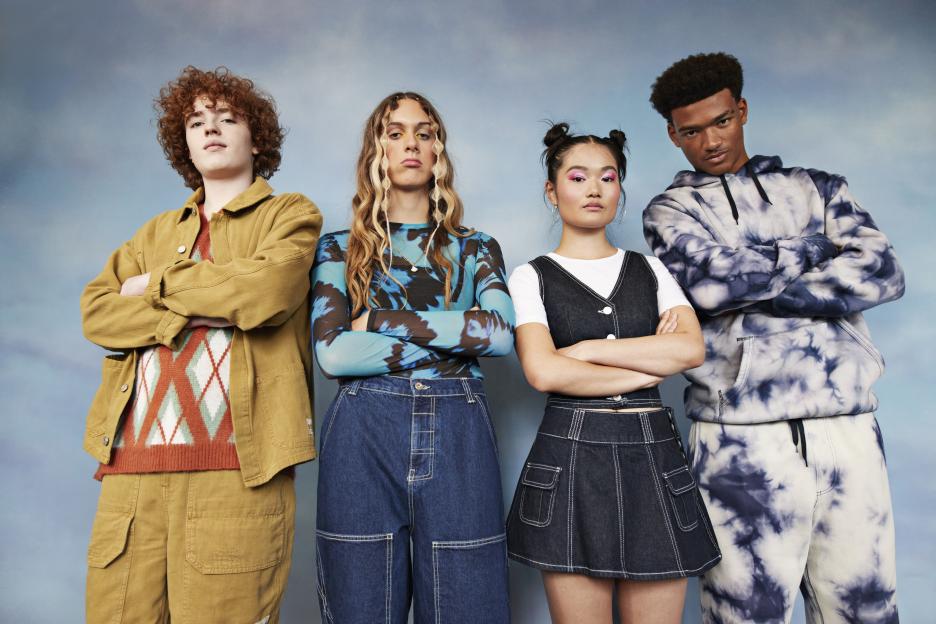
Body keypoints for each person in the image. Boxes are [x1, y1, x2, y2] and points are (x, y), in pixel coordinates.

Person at [643, 52, 905, 623]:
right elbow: (711, 286)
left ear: (741, 110)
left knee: (866, 609)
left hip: (847, 427)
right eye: (691, 131)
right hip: (741, 440)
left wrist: (753, 280)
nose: (710, 140)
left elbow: (882, 273)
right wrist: (813, 249)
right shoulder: (669, 211)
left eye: (721, 121)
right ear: (673, 134)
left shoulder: (817, 188)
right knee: (745, 614)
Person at [80, 66, 322, 624]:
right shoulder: (152, 233)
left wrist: (156, 287)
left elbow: (267, 292)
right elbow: (97, 313)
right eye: (196, 122)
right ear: (183, 142)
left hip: (236, 469)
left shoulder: (290, 214)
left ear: (255, 137)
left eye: (227, 118)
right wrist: (195, 309)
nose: (210, 130)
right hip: (130, 471)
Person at [310, 92, 514, 623]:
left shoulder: (476, 248)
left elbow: (497, 335)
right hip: (362, 431)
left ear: (438, 150)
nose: (411, 145)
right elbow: (333, 353)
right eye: (395, 132)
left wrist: (376, 321)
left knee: (467, 601)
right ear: (375, 149)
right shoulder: (337, 249)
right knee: (360, 605)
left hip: (459, 429)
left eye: (424, 133)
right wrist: (451, 334)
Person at [505, 122, 721, 624]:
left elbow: (690, 350)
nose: (595, 189)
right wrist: (648, 365)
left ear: (620, 187)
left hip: (653, 458)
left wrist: (583, 352)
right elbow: (542, 372)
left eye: (608, 177)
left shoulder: (653, 270)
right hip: (571, 458)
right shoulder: (529, 275)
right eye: (578, 178)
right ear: (552, 191)